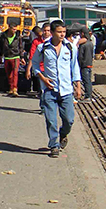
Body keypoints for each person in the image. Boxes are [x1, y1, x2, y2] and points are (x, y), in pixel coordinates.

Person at [30, 19, 82, 158]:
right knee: (51, 120)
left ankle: (63, 134)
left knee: (69, 119)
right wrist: (43, 78)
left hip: (66, 90)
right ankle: (54, 145)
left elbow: (74, 67)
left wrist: (78, 86)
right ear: (52, 33)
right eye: (59, 32)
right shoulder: (43, 48)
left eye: (64, 32)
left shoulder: (71, 48)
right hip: (49, 90)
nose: (62, 35)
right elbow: (35, 64)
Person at [0, 23, 22, 96]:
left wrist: (22, 57)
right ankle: (11, 88)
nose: (15, 31)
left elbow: (20, 47)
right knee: (9, 74)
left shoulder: (18, 36)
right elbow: (1, 47)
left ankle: (15, 88)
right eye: (13, 29)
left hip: (15, 56)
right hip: (7, 56)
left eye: (16, 29)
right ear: (9, 28)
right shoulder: (3, 36)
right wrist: (0, 57)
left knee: (15, 73)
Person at [77, 26, 95, 101]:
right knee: (89, 81)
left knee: (86, 81)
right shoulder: (90, 43)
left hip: (84, 65)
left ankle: (88, 96)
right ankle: (89, 94)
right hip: (89, 64)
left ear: (83, 34)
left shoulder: (83, 45)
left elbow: (80, 56)